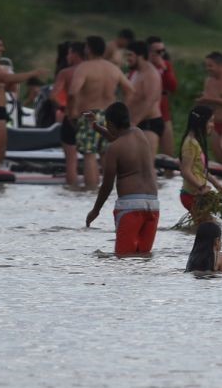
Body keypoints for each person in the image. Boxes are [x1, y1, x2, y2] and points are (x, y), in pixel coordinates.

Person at [84, 103, 159, 255]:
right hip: (153, 205)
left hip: (130, 207)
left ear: (110, 124)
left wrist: (95, 210)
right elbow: (117, 137)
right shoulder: (139, 134)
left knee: (123, 256)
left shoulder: (114, 149)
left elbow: (107, 185)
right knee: (142, 256)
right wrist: (96, 127)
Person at [68, 36, 134, 191]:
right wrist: (123, 109)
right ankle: (111, 189)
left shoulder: (84, 68)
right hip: (110, 114)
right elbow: (130, 90)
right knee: (107, 153)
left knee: (90, 153)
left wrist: (72, 112)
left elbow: (72, 92)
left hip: (90, 115)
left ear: (88, 49)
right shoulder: (113, 68)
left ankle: (91, 191)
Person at [0, 35, 46, 171]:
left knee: (0, 152)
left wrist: (8, 86)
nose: (3, 49)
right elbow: (5, 77)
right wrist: (32, 74)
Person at [178, 106, 222, 215]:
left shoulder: (196, 142)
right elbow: (185, 171)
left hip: (198, 194)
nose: (213, 125)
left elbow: (202, 170)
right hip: (191, 195)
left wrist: (216, 184)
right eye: (210, 121)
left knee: (204, 226)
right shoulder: (190, 144)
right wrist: (201, 187)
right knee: (209, 226)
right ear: (201, 121)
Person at [54, 41, 86, 187]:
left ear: (74, 54)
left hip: (71, 115)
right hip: (90, 115)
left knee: (71, 160)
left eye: (68, 53)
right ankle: (93, 190)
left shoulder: (66, 73)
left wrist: (63, 106)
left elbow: (53, 95)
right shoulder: (96, 71)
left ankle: (72, 191)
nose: (67, 56)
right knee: (92, 157)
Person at [124, 41, 164, 156]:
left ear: (140, 56)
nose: (128, 59)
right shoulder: (136, 73)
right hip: (134, 123)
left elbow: (150, 101)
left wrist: (134, 122)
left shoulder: (151, 74)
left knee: (145, 163)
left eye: (130, 55)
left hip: (148, 124)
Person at [147, 37, 177, 157]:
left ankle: (168, 173)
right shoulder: (144, 67)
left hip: (163, 111)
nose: (162, 54)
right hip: (148, 112)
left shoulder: (165, 66)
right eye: (158, 52)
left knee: (168, 149)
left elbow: (173, 86)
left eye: (163, 51)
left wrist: (165, 69)